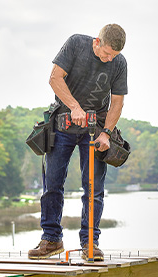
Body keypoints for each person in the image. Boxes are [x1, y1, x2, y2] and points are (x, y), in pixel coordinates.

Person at [28, 24, 128, 261]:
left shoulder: (120, 62)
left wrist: (107, 132)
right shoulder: (75, 44)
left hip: (95, 130)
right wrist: (74, 107)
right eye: (106, 54)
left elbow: (117, 102)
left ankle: (90, 244)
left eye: (113, 56)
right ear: (97, 42)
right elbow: (54, 78)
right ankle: (51, 239)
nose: (108, 59)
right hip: (63, 125)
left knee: (93, 188)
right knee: (52, 183)